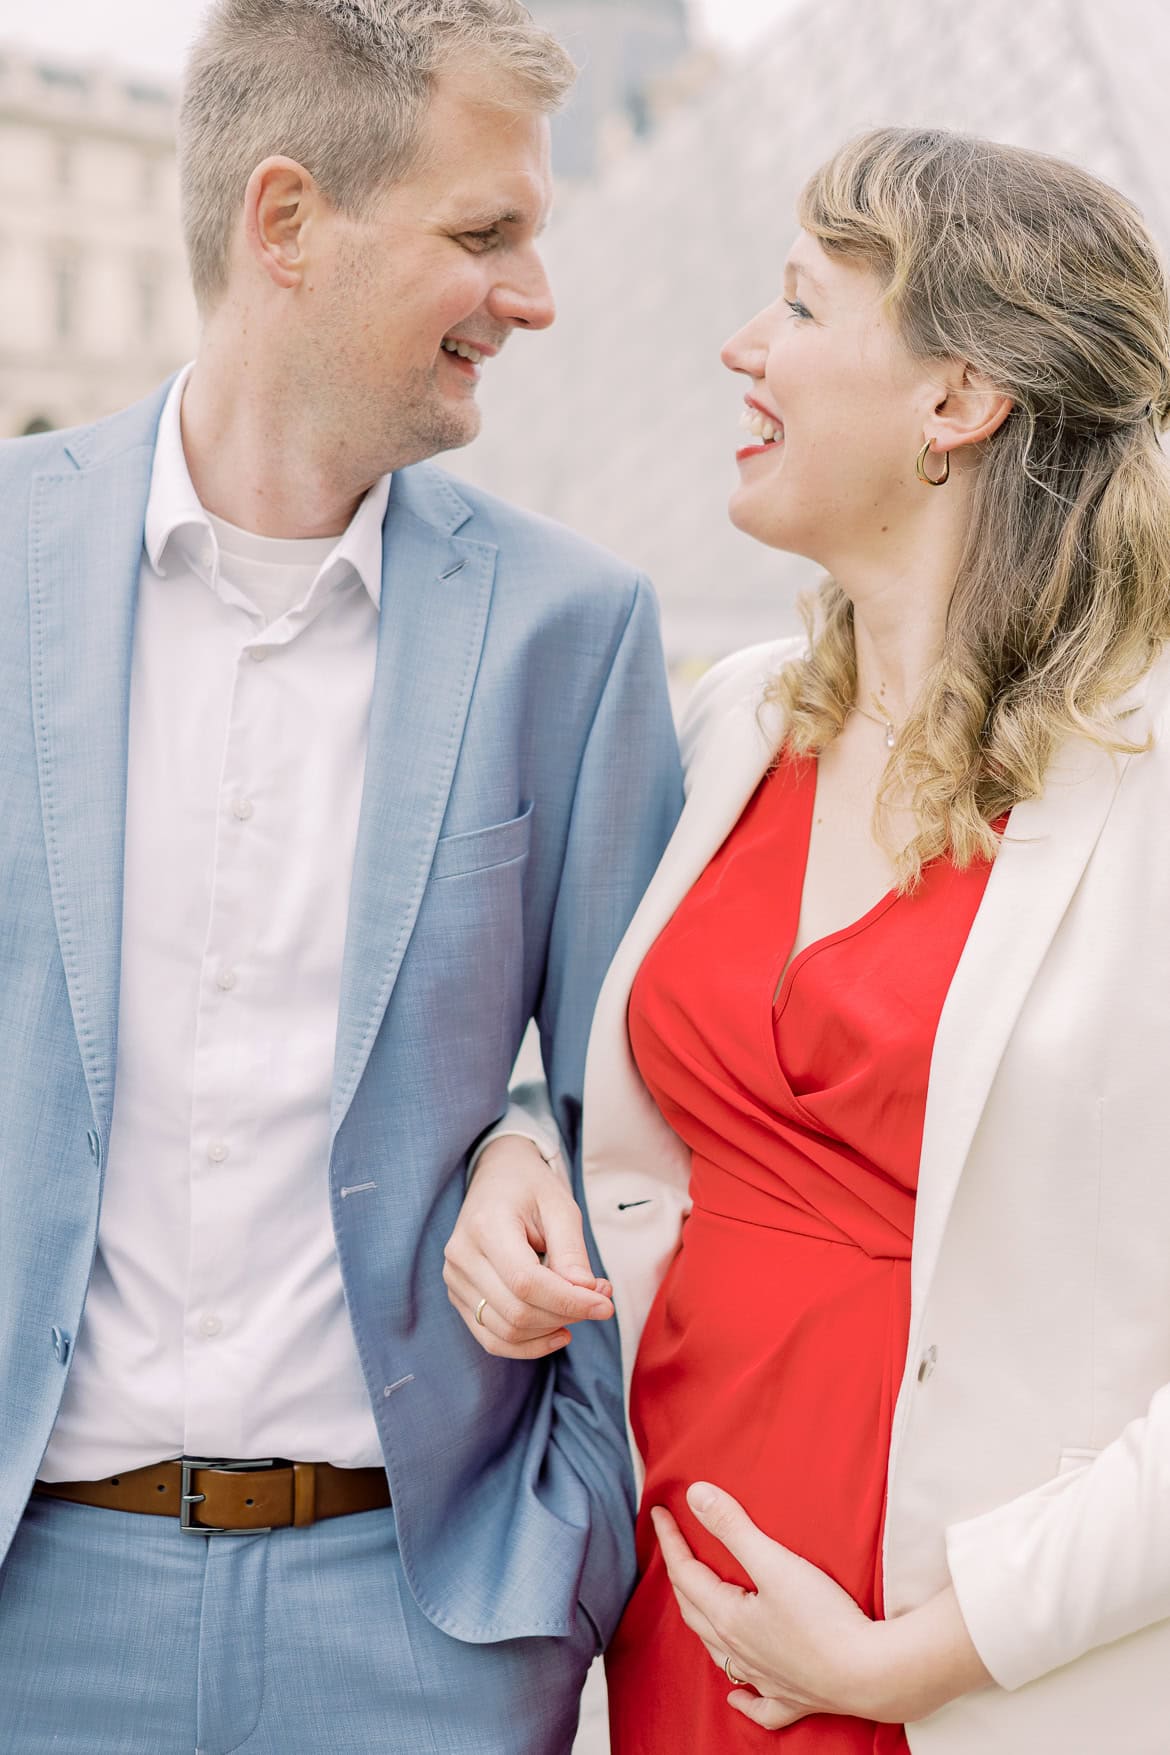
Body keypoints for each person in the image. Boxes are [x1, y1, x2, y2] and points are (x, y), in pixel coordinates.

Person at [0, 3, 682, 1751]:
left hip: (427, 1629)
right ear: (283, 222)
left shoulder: (572, 631)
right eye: (483, 234)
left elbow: (645, 1121)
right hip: (31, 1616)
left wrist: (568, 1563)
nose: (532, 297)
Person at [445, 125, 1170, 1751]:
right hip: (666, 1616)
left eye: (798, 303)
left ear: (954, 400)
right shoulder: (732, 725)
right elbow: (599, 1103)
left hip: (974, 1674)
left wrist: (921, 1654)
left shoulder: (1150, 782)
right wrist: (513, 1155)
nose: (738, 347)